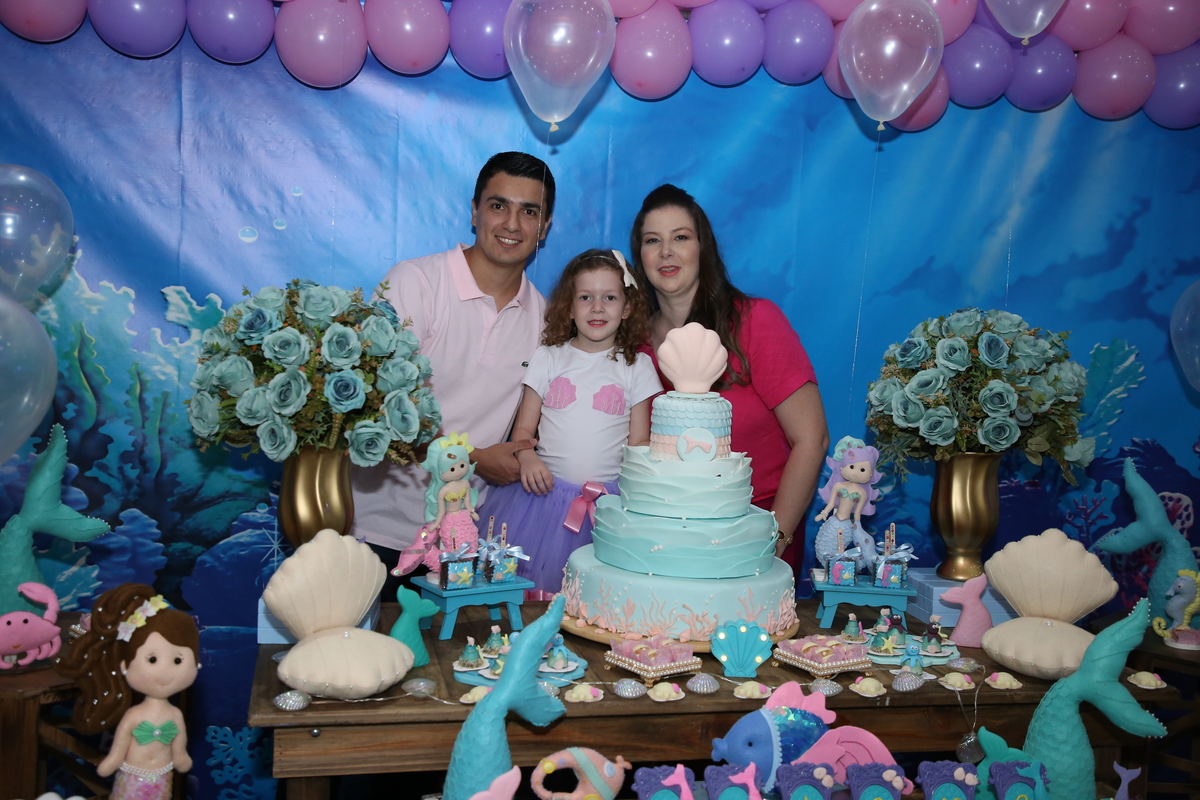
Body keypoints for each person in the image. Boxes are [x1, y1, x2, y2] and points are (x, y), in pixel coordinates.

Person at [350, 152, 555, 578]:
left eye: (529, 211)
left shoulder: (545, 320)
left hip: (461, 546)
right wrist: (476, 459)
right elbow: (374, 409)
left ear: (545, 227)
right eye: (498, 205)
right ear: (475, 212)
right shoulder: (415, 282)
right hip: (371, 531)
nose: (512, 224)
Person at [629, 184, 828, 571]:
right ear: (641, 255)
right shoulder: (633, 344)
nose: (666, 251)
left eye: (680, 237)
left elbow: (811, 438)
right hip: (665, 544)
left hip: (756, 535)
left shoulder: (755, 321)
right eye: (653, 240)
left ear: (703, 248)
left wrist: (774, 540)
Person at [478, 248, 661, 595]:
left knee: (599, 597)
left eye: (610, 297)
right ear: (570, 307)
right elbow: (523, 430)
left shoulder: (637, 367)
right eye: (585, 297)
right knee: (534, 593)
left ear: (627, 308)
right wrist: (527, 457)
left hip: (608, 506)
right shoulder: (548, 358)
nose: (597, 307)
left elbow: (639, 443)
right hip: (542, 500)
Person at [57, 583, 200, 800]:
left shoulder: (175, 714)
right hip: (132, 778)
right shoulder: (134, 715)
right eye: (152, 659)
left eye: (178, 660)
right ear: (125, 665)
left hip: (162, 778)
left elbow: (178, 744)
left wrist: (180, 757)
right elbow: (121, 743)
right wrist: (113, 760)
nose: (165, 672)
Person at [813, 435, 882, 570]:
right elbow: (831, 504)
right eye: (852, 466)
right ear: (842, 467)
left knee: (841, 548)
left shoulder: (862, 493)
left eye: (862, 470)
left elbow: (857, 514)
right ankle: (830, 568)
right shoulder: (838, 486)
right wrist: (824, 513)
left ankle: (841, 570)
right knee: (825, 542)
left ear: (870, 474)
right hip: (834, 521)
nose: (856, 472)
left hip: (847, 525)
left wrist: (857, 527)